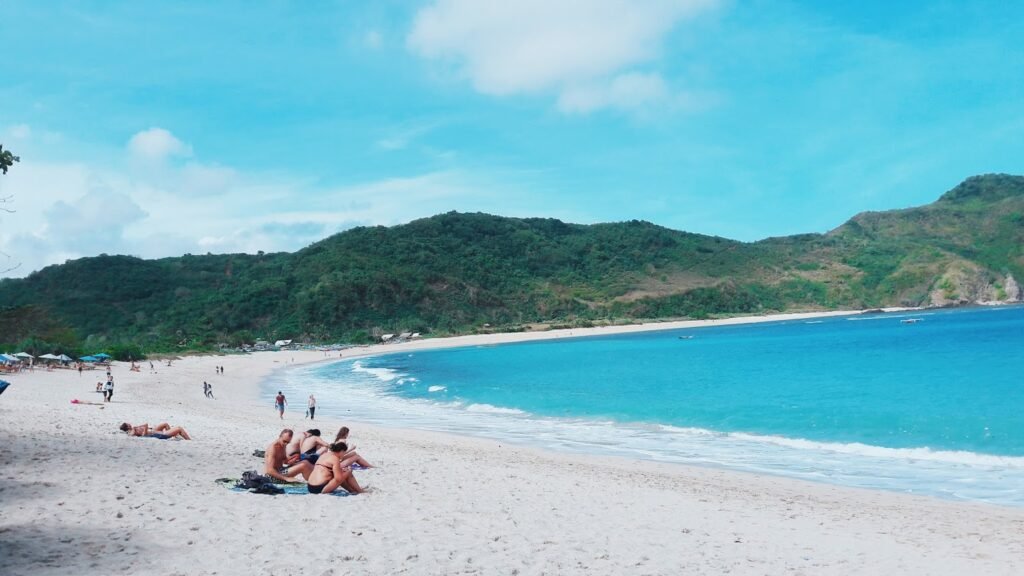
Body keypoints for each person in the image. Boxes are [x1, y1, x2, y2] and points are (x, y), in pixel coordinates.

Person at [119, 422, 192, 440]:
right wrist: (143, 429)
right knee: (179, 428)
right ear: (127, 427)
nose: (130, 424)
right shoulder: (132, 432)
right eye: (128, 424)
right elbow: (144, 434)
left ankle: (175, 436)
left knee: (165, 424)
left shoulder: (133, 430)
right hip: (158, 435)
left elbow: (145, 425)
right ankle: (189, 440)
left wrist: (140, 428)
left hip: (154, 432)